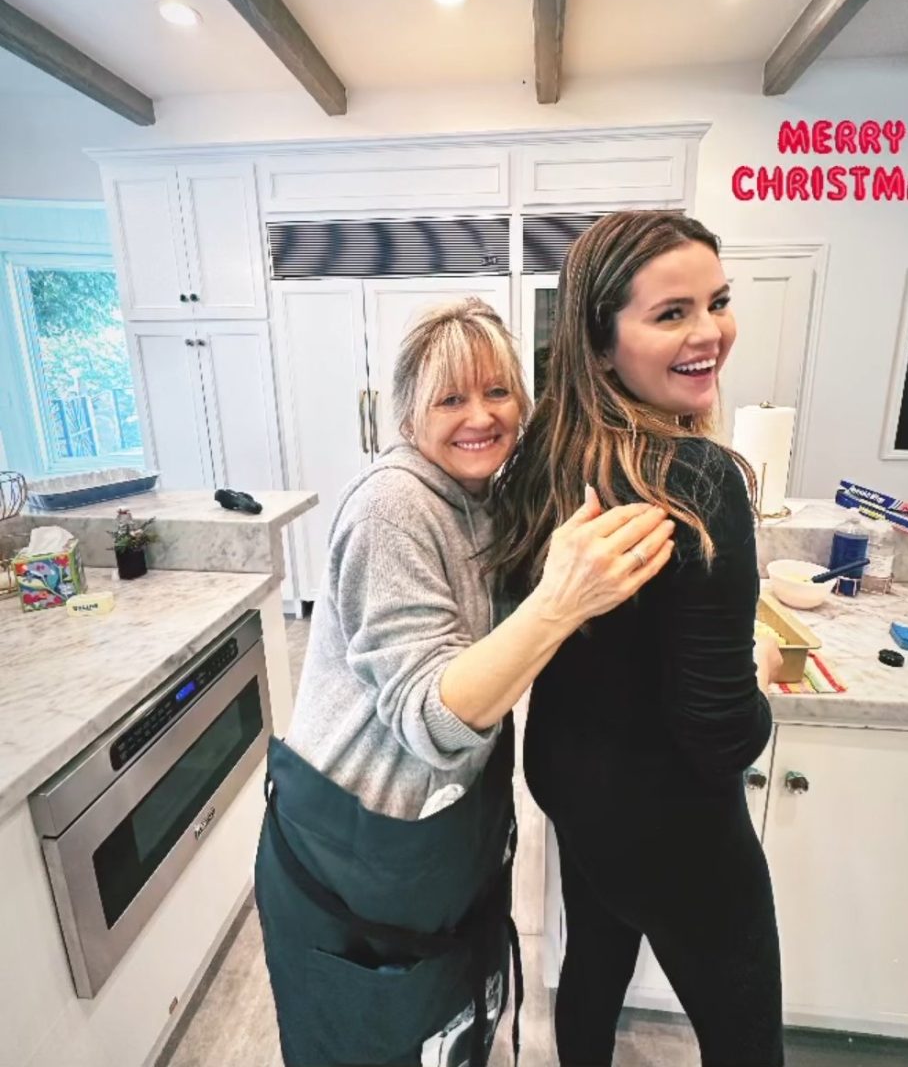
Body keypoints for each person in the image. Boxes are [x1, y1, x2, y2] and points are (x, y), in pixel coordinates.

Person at [254, 297, 676, 1067]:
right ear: (406, 415)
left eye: (497, 392)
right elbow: (431, 720)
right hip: (359, 848)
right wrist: (559, 601)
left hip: (429, 840)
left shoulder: (484, 500)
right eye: (449, 398)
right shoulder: (392, 508)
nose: (480, 416)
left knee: (444, 1032)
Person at [490, 213, 787, 1067]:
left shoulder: (545, 455)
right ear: (599, 341)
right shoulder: (699, 479)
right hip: (677, 825)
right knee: (744, 1044)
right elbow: (719, 732)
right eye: (670, 314)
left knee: (594, 964)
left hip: (575, 788)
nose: (708, 333)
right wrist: (758, 669)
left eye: (717, 302)